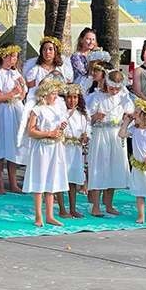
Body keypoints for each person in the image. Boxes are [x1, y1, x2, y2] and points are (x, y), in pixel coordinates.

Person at [22, 77, 68, 227]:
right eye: (53, 93)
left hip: (55, 147)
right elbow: (30, 131)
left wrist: (61, 129)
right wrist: (49, 133)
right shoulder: (37, 110)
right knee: (40, 181)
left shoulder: (56, 108)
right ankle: (38, 216)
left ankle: (50, 215)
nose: (56, 96)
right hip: (41, 148)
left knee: (51, 181)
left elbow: (57, 129)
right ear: (45, 93)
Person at [87, 69, 134, 216]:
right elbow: (88, 116)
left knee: (113, 168)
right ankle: (95, 206)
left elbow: (131, 111)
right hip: (101, 135)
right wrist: (96, 116)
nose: (114, 92)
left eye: (117, 89)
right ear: (106, 84)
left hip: (116, 134)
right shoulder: (97, 97)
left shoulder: (123, 97)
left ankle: (109, 204)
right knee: (99, 168)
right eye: (112, 88)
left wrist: (126, 116)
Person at [0, 45, 27, 194]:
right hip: (2, 111)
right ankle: (0, 184)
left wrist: (21, 87)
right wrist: (12, 93)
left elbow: (22, 94)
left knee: (14, 147)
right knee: (0, 147)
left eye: (16, 56)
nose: (14, 59)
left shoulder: (15, 73)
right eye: (11, 56)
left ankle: (13, 183)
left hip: (15, 111)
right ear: (3, 56)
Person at [57, 83, 89, 218]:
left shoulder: (81, 114)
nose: (72, 100)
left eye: (75, 97)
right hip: (63, 148)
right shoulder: (60, 112)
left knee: (73, 179)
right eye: (69, 97)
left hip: (76, 148)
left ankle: (73, 208)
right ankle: (62, 208)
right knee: (61, 177)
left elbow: (86, 128)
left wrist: (86, 136)